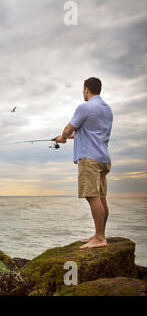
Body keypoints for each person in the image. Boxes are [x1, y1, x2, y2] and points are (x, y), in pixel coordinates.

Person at [54, 77, 113, 249]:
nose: (83, 93)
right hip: (103, 158)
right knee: (101, 197)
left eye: (83, 90)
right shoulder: (107, 109)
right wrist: (65, 138)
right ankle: (99, 234)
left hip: (89, 158)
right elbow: (88, 133)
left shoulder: (85, 107)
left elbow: (68, 129)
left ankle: (100, 238)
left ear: (86, 89)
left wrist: (63, 137)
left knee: (91, 196)